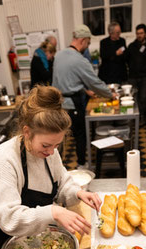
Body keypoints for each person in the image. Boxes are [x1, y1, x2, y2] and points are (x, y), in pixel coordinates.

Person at [0, 85, 102, 249]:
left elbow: (62, 181)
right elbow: (8, 217)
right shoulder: (5, 159)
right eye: (46, 145)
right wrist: (54, 212)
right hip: (10, 242)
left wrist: (77, 193)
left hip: (40, 239)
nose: (51, 151)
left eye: (57, 145)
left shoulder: (50, 151)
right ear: (26, 132)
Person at [52, 24, 114, 169]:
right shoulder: (79, 60)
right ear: (83, 40)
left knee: (58, 137)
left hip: (57, 104)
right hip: (72, 104)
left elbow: (68, 80)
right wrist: (111, 94)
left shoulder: (59, 55)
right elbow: (95, 83)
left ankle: (55, 168)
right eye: (88, 42)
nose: (88, 46)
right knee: (81, 134)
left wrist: (84, 90)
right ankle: (81, 164)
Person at [125, 23, 146, 126]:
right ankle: (133, 118)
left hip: (145, 77)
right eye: (137, 33)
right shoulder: (131, 46)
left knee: (143, 98)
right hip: (132, 77)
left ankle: (142, 118)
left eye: (141, 33)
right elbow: (126, 59)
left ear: (145, 33)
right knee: (132, 98)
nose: (139, 35)